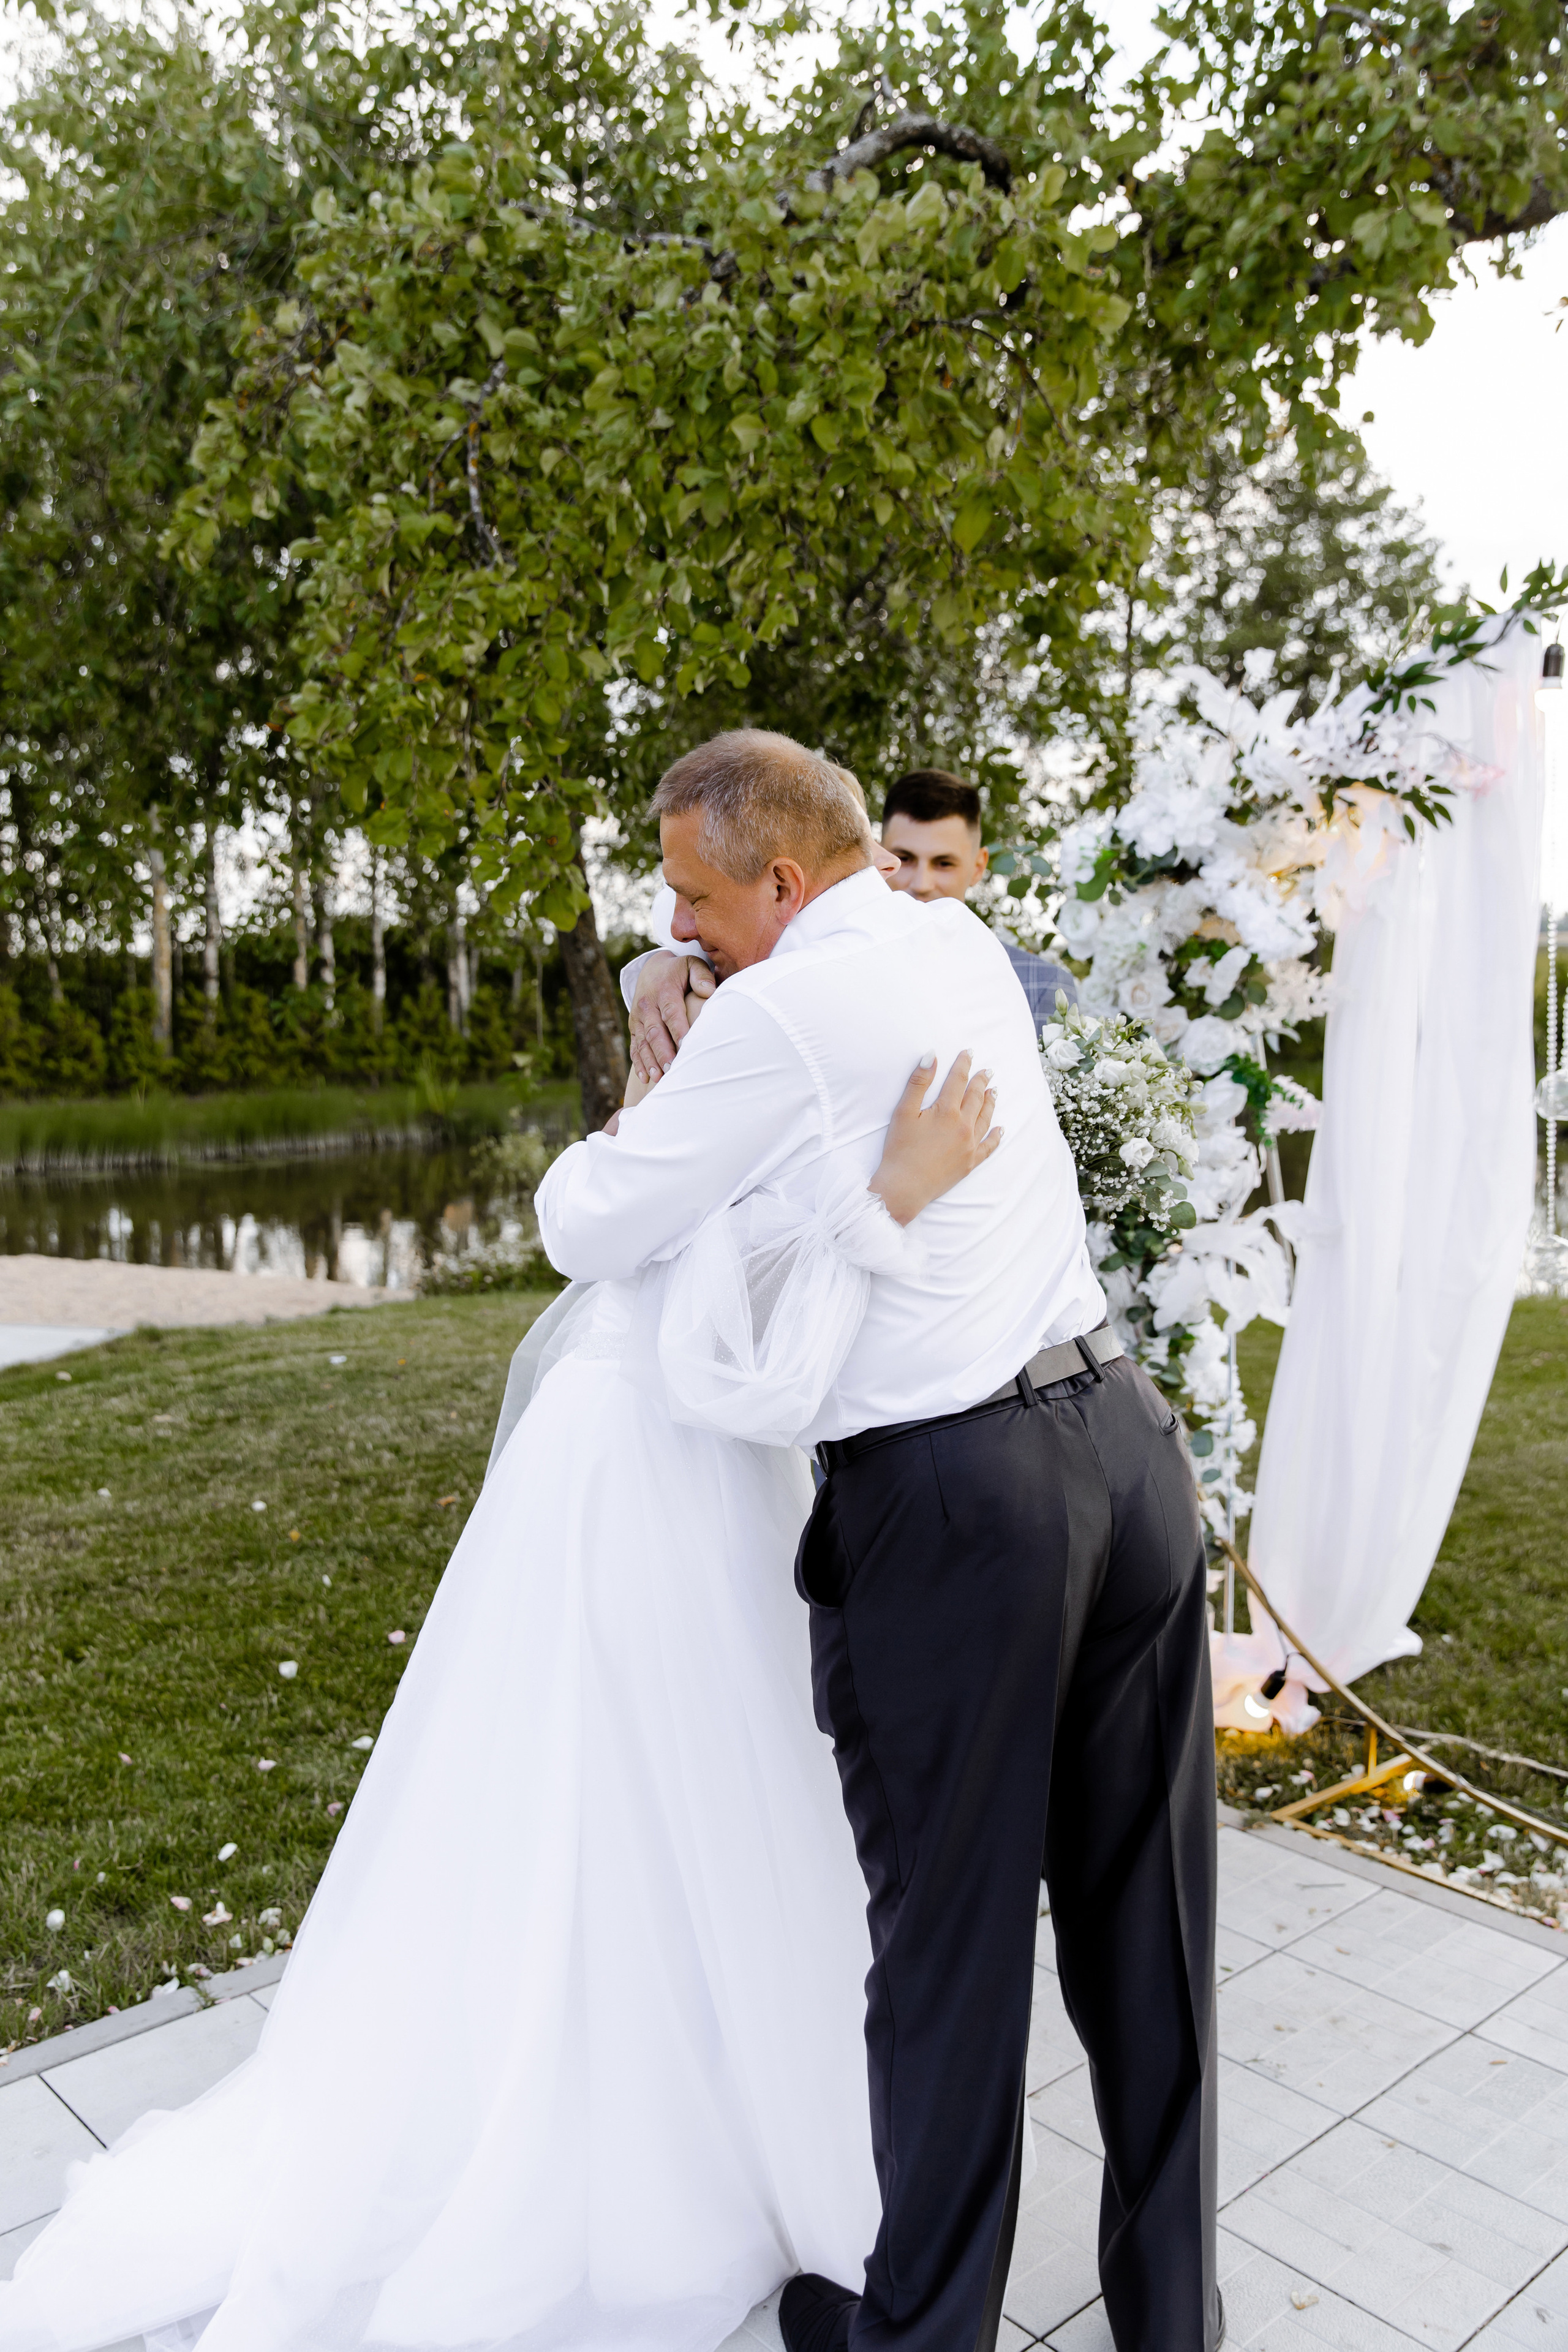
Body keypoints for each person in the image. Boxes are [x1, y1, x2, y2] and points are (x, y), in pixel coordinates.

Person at [0, 955, 998, 2351]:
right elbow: (750, 1361)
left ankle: (657, 2055)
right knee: (658, 1771)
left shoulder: (701, 1081)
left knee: (620, 1780)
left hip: (612, 1460)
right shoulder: (741, 1094)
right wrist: (888, 1200)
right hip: (656, 1469)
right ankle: (661, 2099)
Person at [543, 728, 1219, 2352]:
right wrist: (665, 954)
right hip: (1126, 1456)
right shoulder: (949, 933)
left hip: (960, 1504)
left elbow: (590, 1221)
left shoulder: (776, 1011)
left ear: (780, 881)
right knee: (1153, 1933)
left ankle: (917, 2339)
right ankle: (1176, 2327)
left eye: (694, 895)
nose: (677, 921)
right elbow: (761, 954)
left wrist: (657, 1042)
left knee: (947, 1956)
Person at [880, 767, 1079, 1029]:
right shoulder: (836, 967)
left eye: (944, 863)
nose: (921, 884)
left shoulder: (1041, 986)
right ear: (880, 859)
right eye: (904, 859)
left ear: (978, 867)